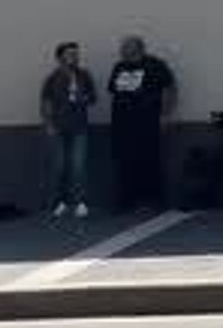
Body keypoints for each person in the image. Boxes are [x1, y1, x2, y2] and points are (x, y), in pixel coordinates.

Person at [107, 35, 177, 212]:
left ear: (138, 49)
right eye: (123, 47)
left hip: (148, 121)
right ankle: (127, 201)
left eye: (126, 47)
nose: (122, 50)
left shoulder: (155, 65)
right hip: (123, 123)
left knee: (149, 160)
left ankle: (152, 201)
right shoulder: (119, 67)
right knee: (125, 162)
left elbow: (169, 88)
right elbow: (113, 89)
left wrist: (165, 114)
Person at [39, 42, 97, 218]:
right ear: (60, 57)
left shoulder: (84, 75)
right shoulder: (52, 78)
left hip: (79, 127)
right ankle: (60, 202)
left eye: (76, 54)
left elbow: (93, 99)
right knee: (59, 166)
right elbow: (46, 102)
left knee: (78, 166)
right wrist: (49, 124)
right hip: (58, 128)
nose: (75, 57)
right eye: (70, 54)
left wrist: (82, 97)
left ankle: (80, 202)